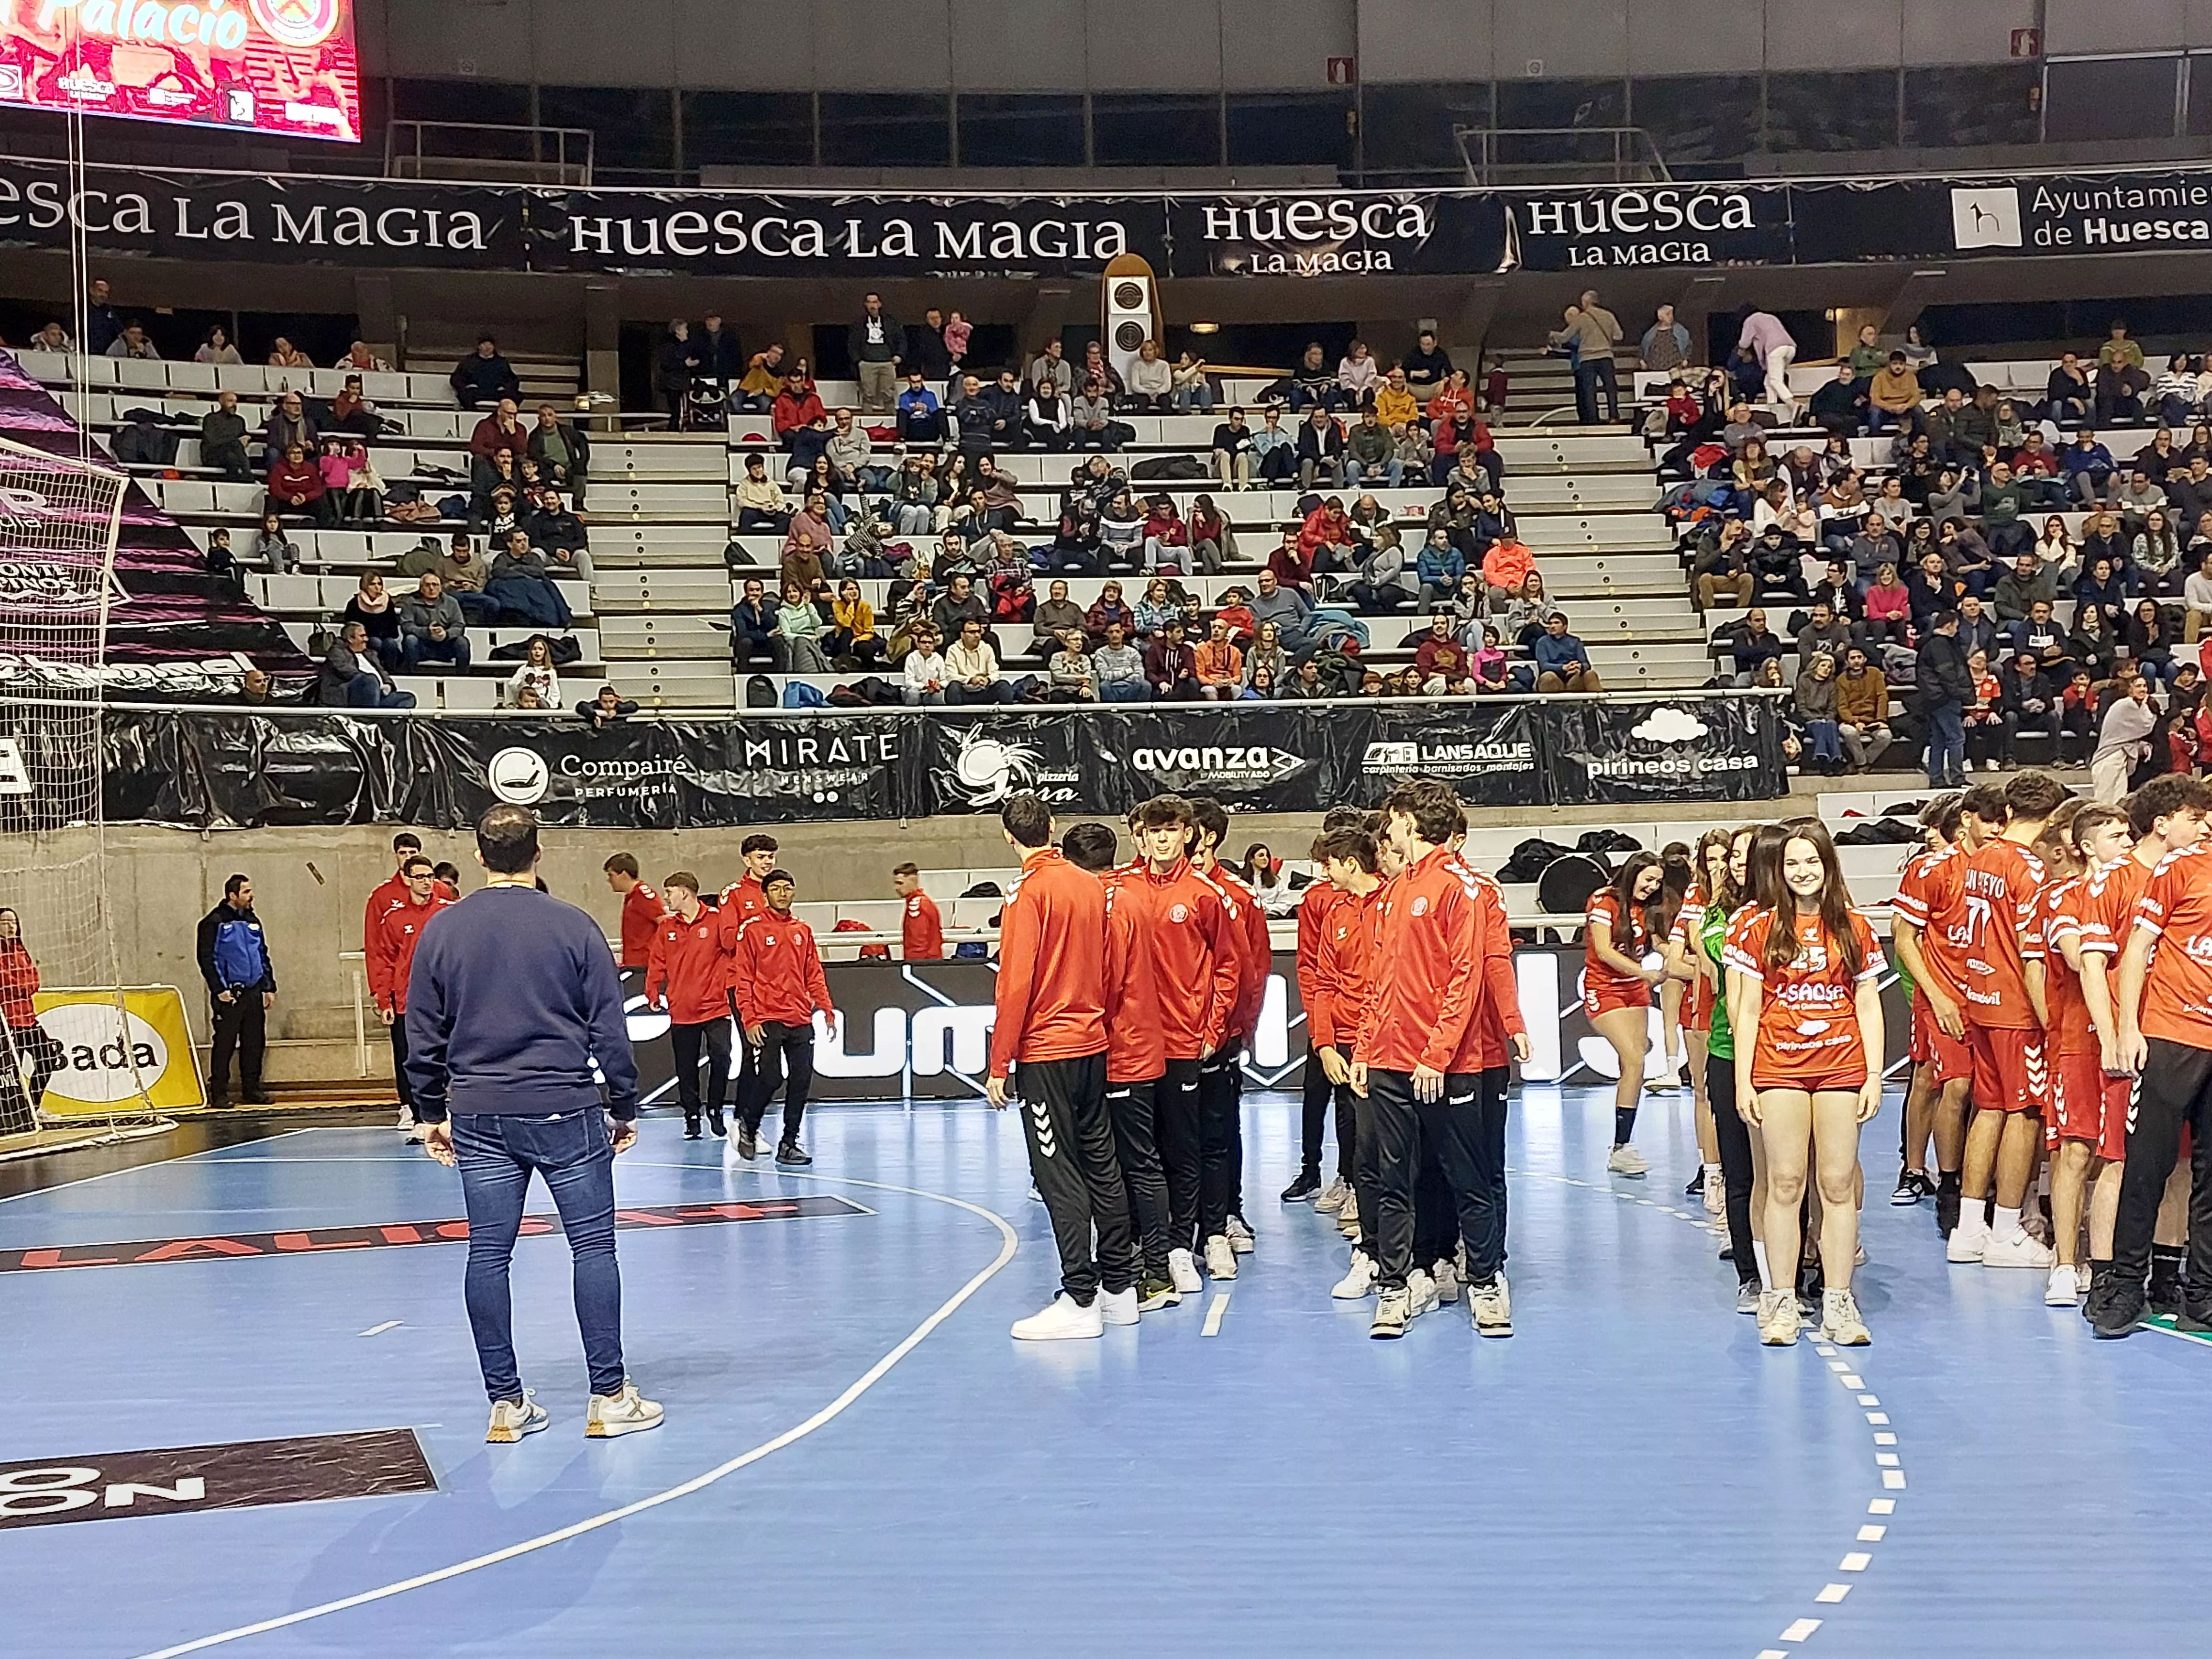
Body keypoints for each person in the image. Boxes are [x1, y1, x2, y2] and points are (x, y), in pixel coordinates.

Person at [406, 805, 659, 1443]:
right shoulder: (574, 926)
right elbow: (611, 1028)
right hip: (564, 1108)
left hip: (479, 1112)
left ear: (479, 857)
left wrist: (431, 1112)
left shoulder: (441, 930)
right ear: (538, 854)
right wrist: (623, 1105)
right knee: (593, 1248)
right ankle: (609, 1397)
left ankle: (505, 1403)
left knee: (488, 1254)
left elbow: (422, 1033)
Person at [1349, 779, 1512, 1338]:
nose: (1386, 827)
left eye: (1392, 818)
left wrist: (1436, 1055)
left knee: (1468, 1177)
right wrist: (1365, 1048)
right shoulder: (1393, 891)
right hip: (1389, 1063)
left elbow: (1466, 978)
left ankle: (1486, 1283)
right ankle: (1395, 1288)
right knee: (1395, 1180)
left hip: (1446, 1066)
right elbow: (1379, 979)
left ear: (1411, 822)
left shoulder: (1460, 889)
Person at [984, 796, 1139, 1339]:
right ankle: (1119, 1288)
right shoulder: (1091, 886)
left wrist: (999, 1062)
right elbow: (1112, 969)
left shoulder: (1026, 894)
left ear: (1008, 837)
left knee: (1058, 1175)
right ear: (1051, 828)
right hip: (1092, 1045)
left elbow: (1015, 983)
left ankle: (1079, 1298)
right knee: (1103, 1165)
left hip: (1048, 1053)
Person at [1726, 821, 1883, 1346]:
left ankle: (1839, 1300)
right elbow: (1748, 1010)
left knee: (1837, 1184)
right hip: (1779, 1068)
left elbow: (1868, 1004)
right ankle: (1781, 1299)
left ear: (1828, 865)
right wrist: (1744, 1080)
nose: (1802, 871)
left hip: (1841, 1067)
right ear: (1779, 869)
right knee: (1786, 1182)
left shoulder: (1854, 927)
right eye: (1792, 863)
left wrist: (1873, 1074)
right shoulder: (1758, 928)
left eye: (1811, 861)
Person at [1947, 772, 2065, 1270]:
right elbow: (2030, 953)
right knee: (2024, 1113)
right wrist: (2050, 1023)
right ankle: (2006, 1231)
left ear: (2010, 811)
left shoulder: (1981, 859)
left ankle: (1969, 1228)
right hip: (2017, 1009)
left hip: (1980, 998)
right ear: (2052, 819)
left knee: (1989, 1108)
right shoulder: (2031, 871)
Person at [1124, 795, 1240, 1296]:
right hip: (1132, 1043)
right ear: (1143, 837)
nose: (1163, 839)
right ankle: (1142, 1244)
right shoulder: (1123, 890)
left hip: (1182, 1043)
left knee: (1185, 1147)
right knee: (1139, 1150)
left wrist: (1212, 1030)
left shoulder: (1205, 894)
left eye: (1171, 830)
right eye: (1155, 831)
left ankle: (1181, 1245)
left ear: (1188, 835)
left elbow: (1229, 966)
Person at [727, 868, 833, 1166]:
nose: (783, 893)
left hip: (800, 1017)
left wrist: (826, 1008)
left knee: (801, 1080)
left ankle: (789, 1143)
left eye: (788, 887)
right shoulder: (752, 930)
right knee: (771, 1077)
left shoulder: (803, 930)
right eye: (776, 888)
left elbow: (813, 972)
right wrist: (749, 1020)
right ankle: (749, 1125)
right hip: (767, 1017)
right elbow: (743, 978)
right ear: (765, 895)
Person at [1584, 854, 1665, 1176]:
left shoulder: (1649, 908)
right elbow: (1604, 951)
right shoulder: (1604, 901)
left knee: (1635, 1063)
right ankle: (1620, 1148)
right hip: (1604, 988)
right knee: (1633, 1059)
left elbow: (1659, 942)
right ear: (1633, 874)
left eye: (1658, 882)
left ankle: (1623, 1145)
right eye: (1648, 879)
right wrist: (1644, 973)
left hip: (1635, 991)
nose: (1652, 886)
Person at [368, 855, 455, 1147]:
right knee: (411, 1058)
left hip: (447, 999)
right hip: (408, 1000)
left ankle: (454, 1114)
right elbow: (385, 961)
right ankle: (419, 1117)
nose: (427, 882)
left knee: (451, 1056)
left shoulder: (447, 912)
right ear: (407, 880)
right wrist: (385, 1000)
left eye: (430, 876)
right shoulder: (393, 919)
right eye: (420, 877)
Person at [646, 874, 735, 1141]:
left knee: (722, 1057)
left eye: (669, 892)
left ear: (684, 893)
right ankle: (692, 1116)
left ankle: (716, 1108)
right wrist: (652, 990)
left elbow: (733, 951)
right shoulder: (667, 927)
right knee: (686, 1067)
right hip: (682, 1008)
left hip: (716, 1006)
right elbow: (657, 961)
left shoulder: (718, 919)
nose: (666, 898)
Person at [197, 874, 275, 1108]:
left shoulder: (253, 920)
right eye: (246, 892)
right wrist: (220, 989)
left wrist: (269, 986)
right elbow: (207, 959)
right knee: (225, 1043)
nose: (252, 896)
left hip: (253, 991)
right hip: (230, 993)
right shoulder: (214, 922)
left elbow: (262, 954)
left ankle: (252, 1089)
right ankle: (219, 1092)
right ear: (233, 895)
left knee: (254, 1042)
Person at [0, 908, 64, 1121]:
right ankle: (15, 1113)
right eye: (5, 922)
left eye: (14, 922)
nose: (11, 926)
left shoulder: (20, 950)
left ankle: (32, 1106)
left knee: (48, 1058)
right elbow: (5, 982)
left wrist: (22, 987)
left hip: (28, 1019)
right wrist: (21, 986)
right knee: (11, 1070)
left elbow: (34, 980)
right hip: (7, 1021)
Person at [320, 622, 414, 709]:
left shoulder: (370, 654)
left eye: (366, 636)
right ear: (350, 639)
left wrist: (389, 684)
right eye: (362, 636)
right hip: (350, 695)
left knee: (408, 698)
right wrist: (372, 682)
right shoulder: (337, 652)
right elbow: (346, 671)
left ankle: (379, 718)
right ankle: (370, 717)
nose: (367, 639)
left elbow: (383, 672)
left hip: (379, 695)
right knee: (370, 679)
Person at [601, 854, 665, 973]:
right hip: (634, 964)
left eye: (611, 875)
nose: (609, 880)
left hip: (644, 966)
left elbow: (665, 924)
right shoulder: (632, 897)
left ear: (623, 874)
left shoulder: (643, 896)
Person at [850, 293, 902, 414]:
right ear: (866, 305)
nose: (872, 305)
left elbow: (901, 339)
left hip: (887, 362)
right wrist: (858, 361)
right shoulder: (859, 323)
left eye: (875, 302)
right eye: (870, 302)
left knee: (888, 393)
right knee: (868, 394)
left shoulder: (890, 322)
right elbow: (852, 343)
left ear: (880, 304)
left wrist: (899, 355)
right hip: (867, 363)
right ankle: (867, 419)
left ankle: (891, 419)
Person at [1532, 611, 1604, 693]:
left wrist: (1579, 667)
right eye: (1550, 624)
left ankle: (1600, 700)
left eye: (1556, 623)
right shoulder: (1542, 642)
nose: (1552, 626)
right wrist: (1564, 668)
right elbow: (1544, 665)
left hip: (1573, 676)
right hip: (1554, 675)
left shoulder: (1575, 641)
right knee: (1548, 677)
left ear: (1565, 627)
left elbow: (1586, 664)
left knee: (1590, 674)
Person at [451, 335, 520, 410]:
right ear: (479, 347)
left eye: (490, 345)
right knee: (465, 395)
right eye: (484, 345)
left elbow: (512, 380)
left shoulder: (502, 362)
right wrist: (467, 386)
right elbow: (457, 378)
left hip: (498, 393)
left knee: (513, 396)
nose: (487, 348)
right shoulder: (469, 361)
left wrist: (505, 387)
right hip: (476, 392)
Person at [892, 863, 945, 962]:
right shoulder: (925, 902)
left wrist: (913, 964)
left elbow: (917, 943)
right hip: (931, 962)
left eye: (900, 883)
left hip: (923, 963)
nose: (896, 888)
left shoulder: (916, 906)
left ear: (913, 881)